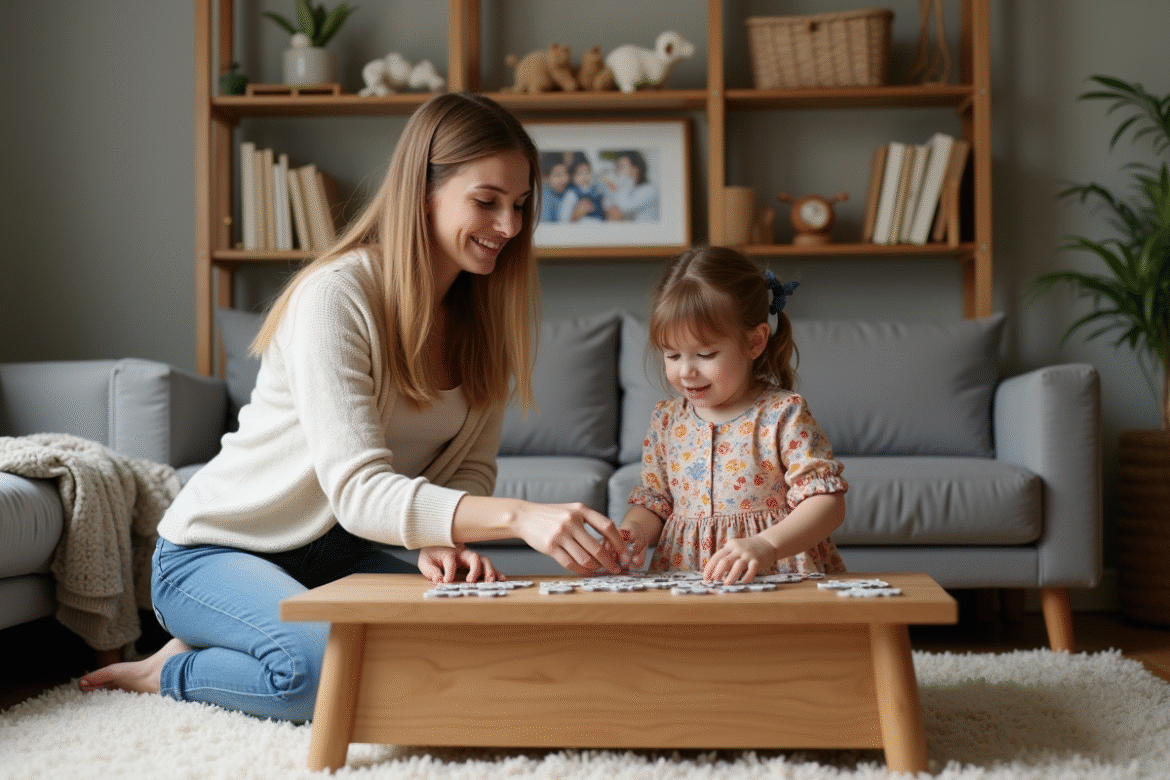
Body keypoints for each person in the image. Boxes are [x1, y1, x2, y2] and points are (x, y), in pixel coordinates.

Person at [78, 93, 624, 722]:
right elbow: (360, 492)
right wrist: (519, 517)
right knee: (318, 678)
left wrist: (439, 542)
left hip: (333, 554)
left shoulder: (483, 320)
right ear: (423, 190)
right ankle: (167, 669)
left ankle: (234, 631)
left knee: (458, 647)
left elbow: (468, 469)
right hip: (218, 550)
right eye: (487, 201)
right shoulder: (336, 295)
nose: (510, 226)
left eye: (522, 206)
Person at [612, 246, 848, 584]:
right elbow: (655, 502)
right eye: (672, 354)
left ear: (754, 342)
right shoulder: (666, 421)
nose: (686, 371)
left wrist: (765, 544)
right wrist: (633, 530)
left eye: (705, 354)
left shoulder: (782, 415)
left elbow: (827, 503)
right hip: (686, 577)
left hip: (774, 576)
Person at [602, 150, 658, 222]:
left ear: (635, 169)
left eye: (621, 167)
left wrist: (624, 182)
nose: (617, 171)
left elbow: (624, 206)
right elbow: (608, 206)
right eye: (617, 167)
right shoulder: (629, 188)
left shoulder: (649, 190)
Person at [559, 151, 606, 223]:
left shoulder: (596, 189)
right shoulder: (572, 193)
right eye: (579, 174)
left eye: (587, 172)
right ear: (572, 177)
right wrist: (578, 214)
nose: (584, 177)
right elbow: (564, 218)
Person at [539, 151, 570, 223]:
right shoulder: (546, 200)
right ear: (546, 178)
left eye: (566, 173)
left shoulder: (564, 191)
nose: (565, 179)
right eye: (558, 175)